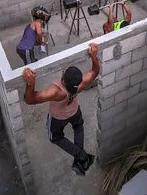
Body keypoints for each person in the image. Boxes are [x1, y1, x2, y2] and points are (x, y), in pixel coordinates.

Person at [22, 43, 100, 176]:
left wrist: (31, 83)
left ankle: (81, 156)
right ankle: (80, 162)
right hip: (75, 111)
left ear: (63, 80)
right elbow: (94, 72)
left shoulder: (56, 92)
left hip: (58, 118)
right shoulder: (81, 85)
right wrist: (94, 56)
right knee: (78, 126)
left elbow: (30, 100)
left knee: (55, 137)